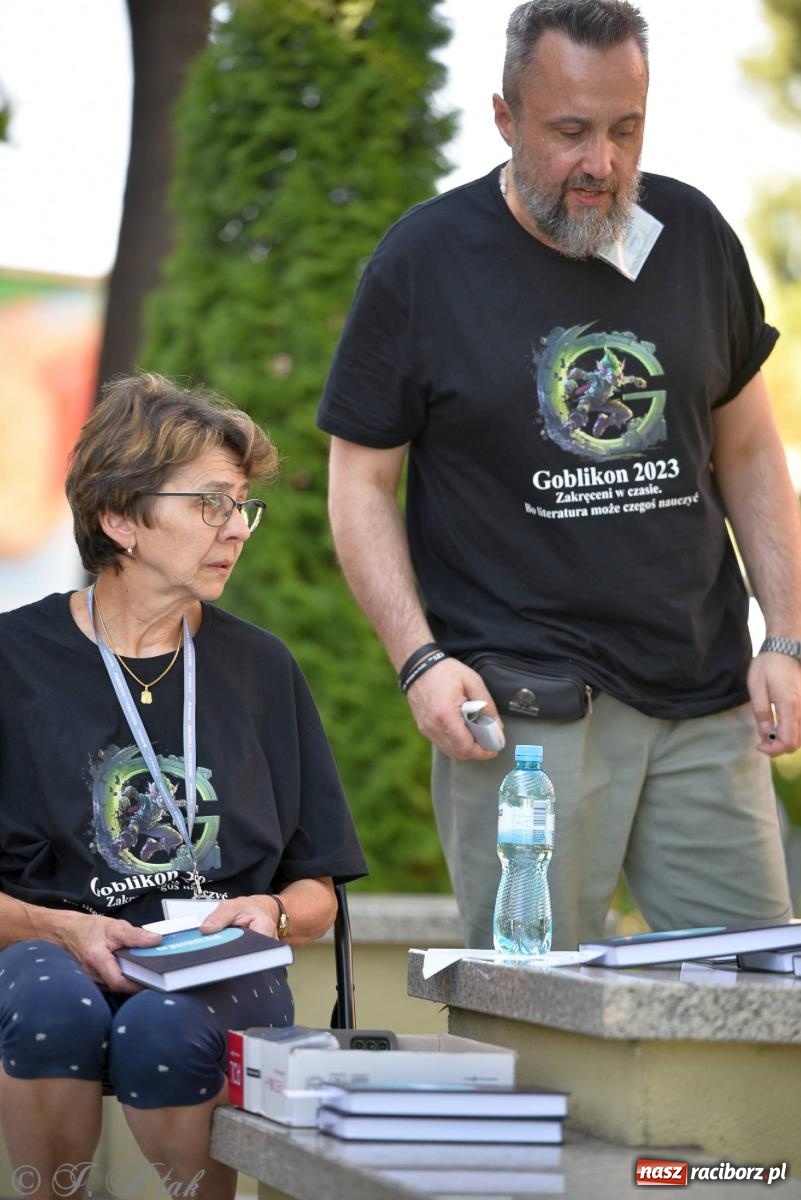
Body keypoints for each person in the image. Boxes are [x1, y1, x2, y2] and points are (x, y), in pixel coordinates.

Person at [317, 0, 801, 951]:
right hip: (524, 718)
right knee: (533, 1017)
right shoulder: (422, 263)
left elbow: (747, 449)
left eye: (625, 130)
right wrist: (417, 660)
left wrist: (784, 638)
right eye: (570, 132)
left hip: (702, 701)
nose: (602, 164)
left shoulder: (693, 233)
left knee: (759, 1006)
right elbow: (360, 483)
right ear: (505, 117)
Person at [0, 373, 367, 1200]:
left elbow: (319, 887)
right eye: (209, 504)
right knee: (51, 1004)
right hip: (48, 950)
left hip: (219, 964)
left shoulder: (261, 667)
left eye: (241, 507)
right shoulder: (11, 662)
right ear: (119, 516)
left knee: (165, 1026)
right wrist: (59, 929)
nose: (236, 529)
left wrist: (270, 912)